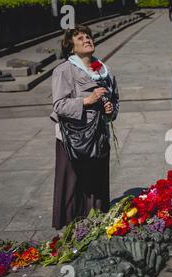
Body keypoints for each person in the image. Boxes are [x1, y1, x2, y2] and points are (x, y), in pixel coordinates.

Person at [51, 25, 119, 230]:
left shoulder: (106, 72)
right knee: (73, 183)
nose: (87, 39)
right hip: (74, 138)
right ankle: (72, 226)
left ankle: (96, 220)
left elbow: (115, 102)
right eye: (80, 38)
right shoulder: (63, 70)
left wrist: (109, 110)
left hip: (98, 135)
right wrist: (86, 100)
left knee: (97, 180)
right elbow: (59, 105)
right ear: (71, 48)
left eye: (88, 36)